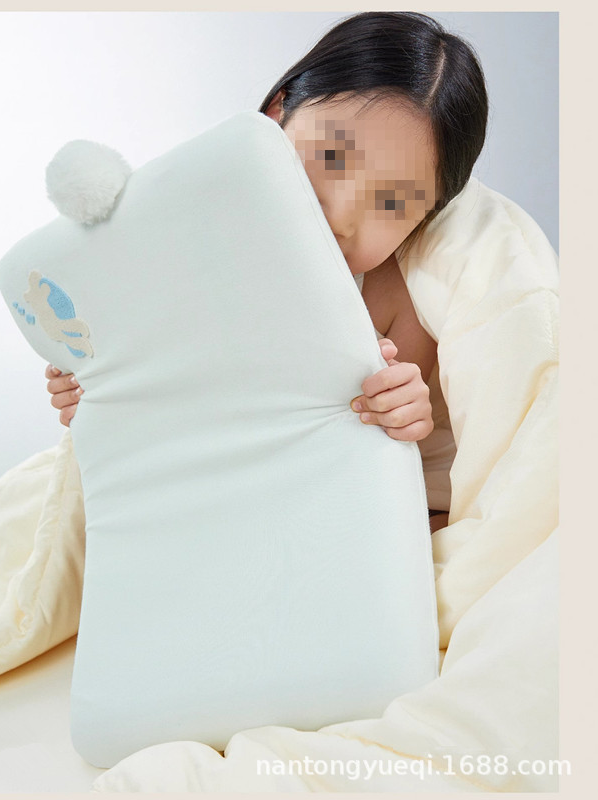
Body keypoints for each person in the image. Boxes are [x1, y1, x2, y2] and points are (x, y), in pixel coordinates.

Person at [44, 11, 489, 534]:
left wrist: (402, 411)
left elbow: (368, 465)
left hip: (311, 501)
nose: (340, 215)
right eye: (332, 155)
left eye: (391, 203)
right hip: (193, 485)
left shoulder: (397, 296)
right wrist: (91, 393)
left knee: (428, 536)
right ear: (278, 114)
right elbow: (135, 369)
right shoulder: (193, 231)